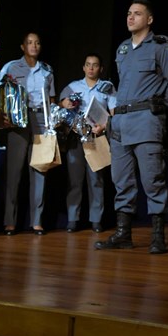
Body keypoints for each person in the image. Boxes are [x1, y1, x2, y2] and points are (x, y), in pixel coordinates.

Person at [95, 0, 168, 254]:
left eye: (137, 14)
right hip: (120, 123)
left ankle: (158, 235)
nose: (130, 17)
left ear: (149, 19)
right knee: (121, 180)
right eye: (128, 13)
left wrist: (158, 107)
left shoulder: (159, 46)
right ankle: (124, 233)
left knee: (152, 179)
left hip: (146, 121)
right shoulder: (122, 48)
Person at [0, 32, 56, 236]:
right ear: (23, 46)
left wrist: (52, 124)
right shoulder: (11, 67)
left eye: (37, 42)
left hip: (40, 120)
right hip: (18, 121)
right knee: (14, 172)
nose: (34, 46)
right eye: (30, 42)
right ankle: (10, 221)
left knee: (39, 170)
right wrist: (1, 117)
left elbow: (51, 100)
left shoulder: (47, 70)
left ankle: (37, 221)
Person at [59, 53, 117, 233]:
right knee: (75, 180)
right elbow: (60, 105)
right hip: (76, 138)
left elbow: (114, 112)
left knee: (96, 180)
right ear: (83, 67)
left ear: (100, 68)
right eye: (88, 64)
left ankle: (96, 220)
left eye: (95, 65)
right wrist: (65, 103)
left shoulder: (107, 87)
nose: (91, 68)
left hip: (96, 137)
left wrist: (104, 126)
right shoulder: (73, 86)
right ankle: (73, 219)